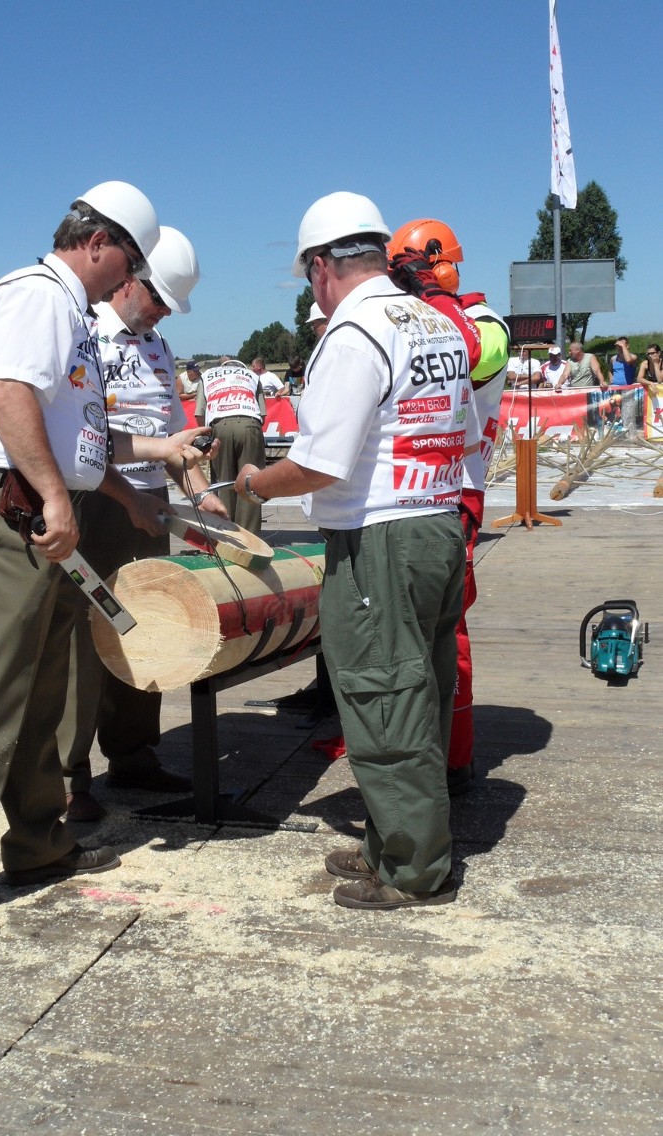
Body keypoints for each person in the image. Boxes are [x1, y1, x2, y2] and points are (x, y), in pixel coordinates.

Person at [0, 182, 213, 937]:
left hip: (34, 513)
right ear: (100, 242)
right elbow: (9, 395)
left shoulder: (68, 308)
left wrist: (77, 489)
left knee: (41, 692)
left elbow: (75, 428)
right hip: (9, 509)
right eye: (129, 262)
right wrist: (54, 495)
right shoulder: (39, 294)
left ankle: (40, 842)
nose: (127, 280)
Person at [235, 191, 478, 912]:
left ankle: (410, 867)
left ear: (319, 268)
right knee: (420, 690)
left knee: (381, 694)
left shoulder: (353, 333)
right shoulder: (430, 321)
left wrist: (257, 482)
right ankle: (395, 837)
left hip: (382, 538)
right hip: (436, 523)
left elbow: (321, 463)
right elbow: (459, 433)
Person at [59, 227, 227, 822]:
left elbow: (177, 435)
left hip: (150, 505)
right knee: (85, 637)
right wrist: (143, 477)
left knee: (143, 628)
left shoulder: (156, 345)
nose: (160, 315)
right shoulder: (85, 337)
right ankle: (71, 776)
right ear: (129, 279)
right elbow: (85, 441)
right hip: (101, 503)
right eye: (156, 300)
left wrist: (201, 493)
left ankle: (132, 753)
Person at [388, 218, 510, 796]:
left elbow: (468, 357)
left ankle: (450, 760)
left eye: (408, 270)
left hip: (456, 493)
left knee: (447, 633)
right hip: (417, 489)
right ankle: (417, 753)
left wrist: (431, 292)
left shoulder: (486, 324)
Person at [196, 357, 266, 534]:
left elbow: (199, 413)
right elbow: (262, 414)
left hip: (220, 425)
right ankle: (250, 538)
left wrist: (208, 436)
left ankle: (227, 535)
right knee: (252, 482)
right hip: (250, 423)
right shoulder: (252, 376)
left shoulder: (208, 376)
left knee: (224, 482)